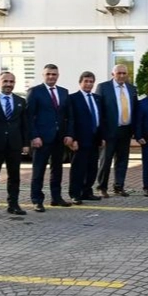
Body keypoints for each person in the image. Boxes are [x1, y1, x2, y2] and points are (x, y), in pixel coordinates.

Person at [0, 71, 29, 218]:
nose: (8, 84)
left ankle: (13, 205)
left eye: (11, 82)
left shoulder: (21, 101)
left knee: (14, 176)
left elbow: (24, 124)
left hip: (14, 145)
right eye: (5, 81)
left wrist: (26, 143)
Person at [27, 64, 71, 212]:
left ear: (58, 75)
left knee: (57, 169)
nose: (51, 77)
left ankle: (56, 197)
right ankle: (37, 200)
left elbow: (68, 116)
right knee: (38, 170)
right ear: (43, 75)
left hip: (59, 138)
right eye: (48, 74)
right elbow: (29, 117)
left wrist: (68, 134)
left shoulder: (64, 92)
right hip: (41, 139)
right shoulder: (35, 92)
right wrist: (34, 136)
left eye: (54, 74)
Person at [95, 64, 138, 197]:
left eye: (124, 73)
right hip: (109, 131)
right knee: (106, 161)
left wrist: (134, 130)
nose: (122, 76)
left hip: (125, 130)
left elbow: (135, 109)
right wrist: (101, 133)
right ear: (113, 74)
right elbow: (99, 111)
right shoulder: (103, 87)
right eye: (119, 73)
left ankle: (119, 186)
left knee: (122, 160)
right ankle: (102, 187)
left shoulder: (131, 89)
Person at [65, 71, 105, 205]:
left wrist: (102, 137)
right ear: (80, 82)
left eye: (91, 82)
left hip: (94, 139)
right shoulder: (73, 98)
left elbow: (100, 118)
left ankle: (87, 192)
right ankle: (75, 194)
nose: (88, 84)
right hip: (79, 140)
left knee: (92, 168)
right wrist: (73, 138)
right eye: (86, 81)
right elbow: (70, 119)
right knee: (78, 169)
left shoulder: (97, 98)